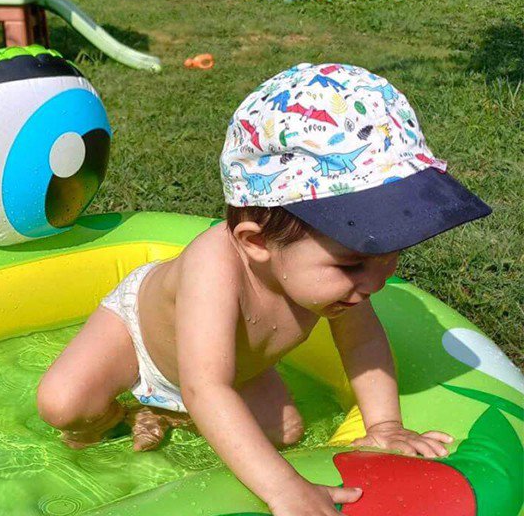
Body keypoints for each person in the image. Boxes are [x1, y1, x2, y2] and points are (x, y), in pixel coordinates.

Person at [37, 63, 491, 515]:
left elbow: (362, 344)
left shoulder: (337, 284)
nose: (376, 281)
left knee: (286, 432)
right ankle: (122, 414)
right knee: (64, 404)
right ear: (255, 243)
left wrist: (385, 425)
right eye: (353, 262)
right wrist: (283, 487)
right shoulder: (212, 268)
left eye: (389, 253)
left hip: (227, 368)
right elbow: (206, 387)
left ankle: (164, 413)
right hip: (139, 337)